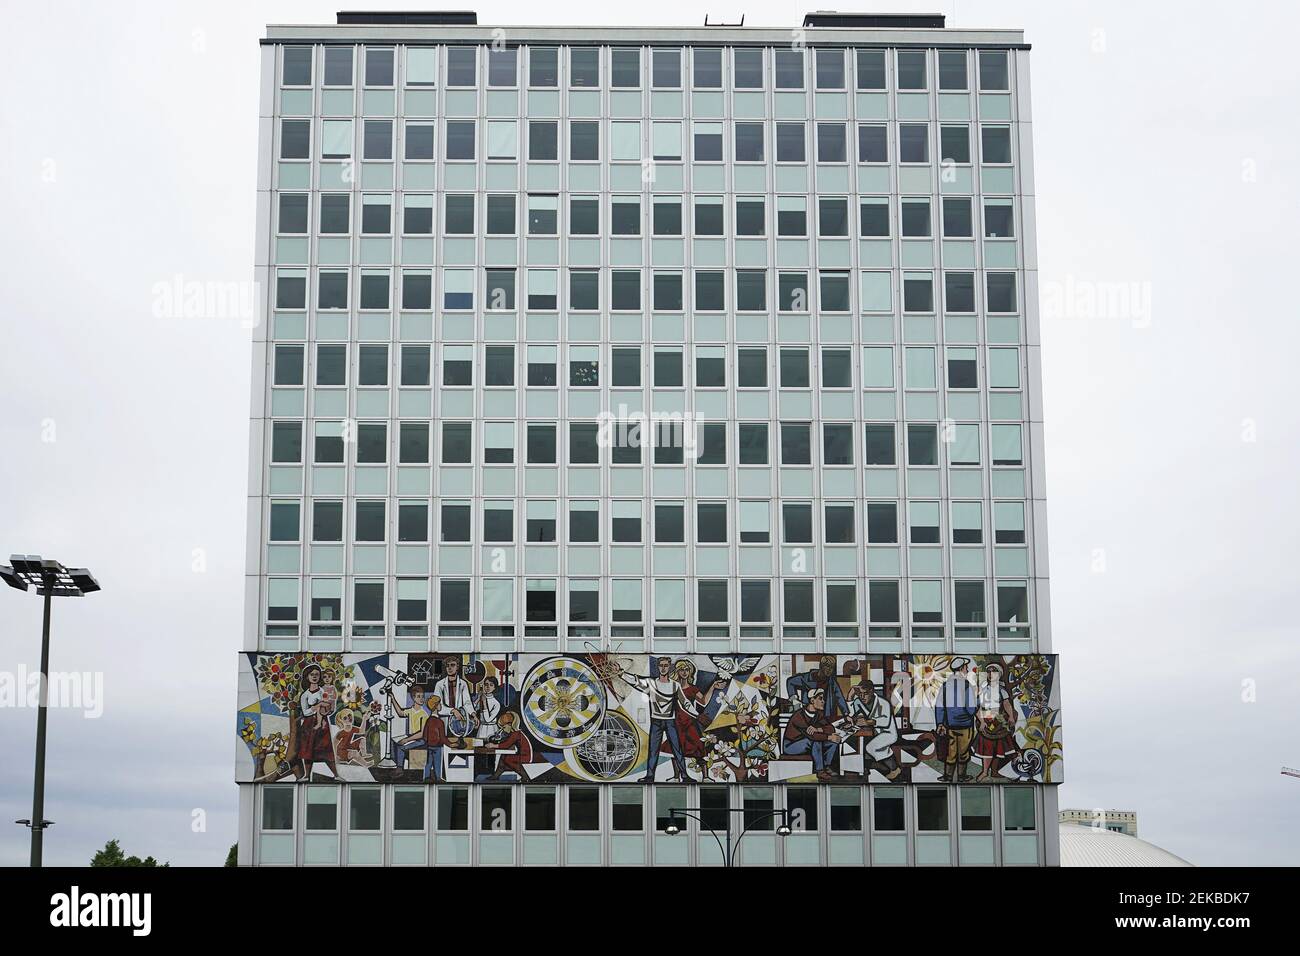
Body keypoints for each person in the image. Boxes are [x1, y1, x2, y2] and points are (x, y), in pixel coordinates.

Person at [617, 656, 701, 783]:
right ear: (658, 667)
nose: (663, 668)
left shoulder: (675, 685)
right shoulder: (652, 684)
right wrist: (621, 673)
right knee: (653, 750)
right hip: (656, 721)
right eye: (661, 665)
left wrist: (697, 715)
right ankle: (650, 776)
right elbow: (636, 681)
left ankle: (685, 776)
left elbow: (685, 703)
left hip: (670, 722)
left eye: (665, 665)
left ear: (669, 667)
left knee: (677, 749)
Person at [782, 688, 842, 781]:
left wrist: (819, 729)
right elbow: (812, 736)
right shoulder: (799, 716)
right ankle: (820, 770)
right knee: (816, 741)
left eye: (823, 699)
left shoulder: (819, 714)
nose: (823, 701)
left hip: (808, 742)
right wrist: (829, 737)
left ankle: (826, 766)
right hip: (791, 745)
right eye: (820, 699)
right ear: (812, 700)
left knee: (833, 742)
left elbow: (831, 728)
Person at [973, 663, 1019, 781]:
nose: (990, 674)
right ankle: (984, 772)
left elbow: (1006, 704)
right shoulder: (982, 689)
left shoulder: (1001, 690)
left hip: (999, 723)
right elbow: (977, 707)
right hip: (986, 722)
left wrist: (1011, 717)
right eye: (988, 672)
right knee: (987, 748)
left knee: (999, 748)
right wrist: (982, 722)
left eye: (993, 672)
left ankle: (994, 771)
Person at [847, 682, 901, 780]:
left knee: (871, 747)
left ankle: (895, 768)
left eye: (865, 693)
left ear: (872, 692)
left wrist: (867, 722)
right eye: (860, 694)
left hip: (888, 733)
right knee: (853, 742)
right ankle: (867, 768)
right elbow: (851, 714)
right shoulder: (858, 701)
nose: (862, 696)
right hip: (873, 732)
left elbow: (885, 722)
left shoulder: (883, 702)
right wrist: (850, 698)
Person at [936, 659, 979, 782]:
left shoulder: (945, 685)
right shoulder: (966, 685)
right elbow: (971, 709)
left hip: (950, 725)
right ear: (961, 669)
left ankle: (948, 776)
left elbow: (939, 706)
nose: (967, 669)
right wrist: (978, 702)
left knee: (951, 751)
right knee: (963, 752)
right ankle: (961, 776)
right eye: (966, 667)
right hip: (965, 725)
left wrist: (940, 723)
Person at [293, 664, 339, 780]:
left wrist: (326, 709)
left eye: (317, 674)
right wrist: (317, 706)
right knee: (308, 750)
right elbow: (306, 712)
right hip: (309, 724)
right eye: (312, 674)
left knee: (326, 749)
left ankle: (336, 775)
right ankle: (307, 776)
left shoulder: (322, 690)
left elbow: (327, 705)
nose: (314, 677)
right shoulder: (305, 695)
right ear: (307, 677)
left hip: (323, 722)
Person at [785, 655, 848, 721]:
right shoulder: (806, 678)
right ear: (821, 666)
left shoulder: (831, 681)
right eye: (827, 666)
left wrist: (846, 714)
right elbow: (790, 681)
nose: (829, 670)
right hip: (808, 714)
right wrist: (794, 699)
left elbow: (839, 697)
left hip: (825, 716)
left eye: (832, 667)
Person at [433, 657, 475, 747]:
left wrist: (473, 714)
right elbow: (438, 706)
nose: (450, 668)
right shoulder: (439, 684)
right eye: (447, 666)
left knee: (461, 747)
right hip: (445, 721)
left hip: (459, 721)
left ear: (457, 667)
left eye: (452, 665)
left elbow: (467, 702)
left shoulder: (463, 684)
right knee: (446, 749)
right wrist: (453, 711)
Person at [388, 684, 430, 771]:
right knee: (393, 742)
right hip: (411, 736)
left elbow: (421, 733)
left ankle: (399, 770)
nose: (421, 699)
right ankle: (394, 765)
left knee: (401, 746)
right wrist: (393, 699)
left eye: (422, 696)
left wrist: (406, 740)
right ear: (413, 698)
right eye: (418, 697)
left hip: (420, 740)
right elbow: (400, 713)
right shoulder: (410, 711)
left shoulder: (424, 714)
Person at [485, 712, 532, 781]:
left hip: (525, 756)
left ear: (510, 724)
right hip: (521, 754)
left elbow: (506, 745)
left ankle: (525, 776)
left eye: (503, 727)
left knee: (508, 759)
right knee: (503, 757)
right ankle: (496, 775)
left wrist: (493, 745)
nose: (502, 729)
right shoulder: (514, 733)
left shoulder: (516, 734)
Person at [417, 697, 448, 782]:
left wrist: (427, 742)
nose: (441, 705)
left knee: (428, 763)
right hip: (438, 746)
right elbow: (443, 738)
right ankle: (438, 777)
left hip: (429, 746)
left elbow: (425, 735)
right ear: (436, 706)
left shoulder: (428, 720)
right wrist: (451, 744)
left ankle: (426, 777)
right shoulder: (440, 722)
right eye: (439, 703)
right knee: (437, 763)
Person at [475, 675, 503, 743]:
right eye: (486, 684)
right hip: (481, 729)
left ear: (494, 688)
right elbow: (473, 710)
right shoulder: (481, 698)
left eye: (491, 685)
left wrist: (484, 703)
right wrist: (478, 699)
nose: (488, 687)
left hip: (492, 729)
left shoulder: (496, 704)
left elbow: (488, 720)